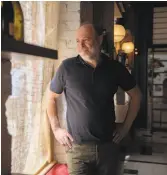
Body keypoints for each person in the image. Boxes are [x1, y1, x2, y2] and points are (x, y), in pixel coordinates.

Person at [47, 22, 142, 175]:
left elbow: (136, 95)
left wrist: (125, 128)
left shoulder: (115, 68)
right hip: (77, 150)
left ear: (99, 40)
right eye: (78, 41)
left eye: (86, 40)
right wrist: (56, 128)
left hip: (108, 147)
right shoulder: (67, 67)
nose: (80, 45)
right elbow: (50, 98)